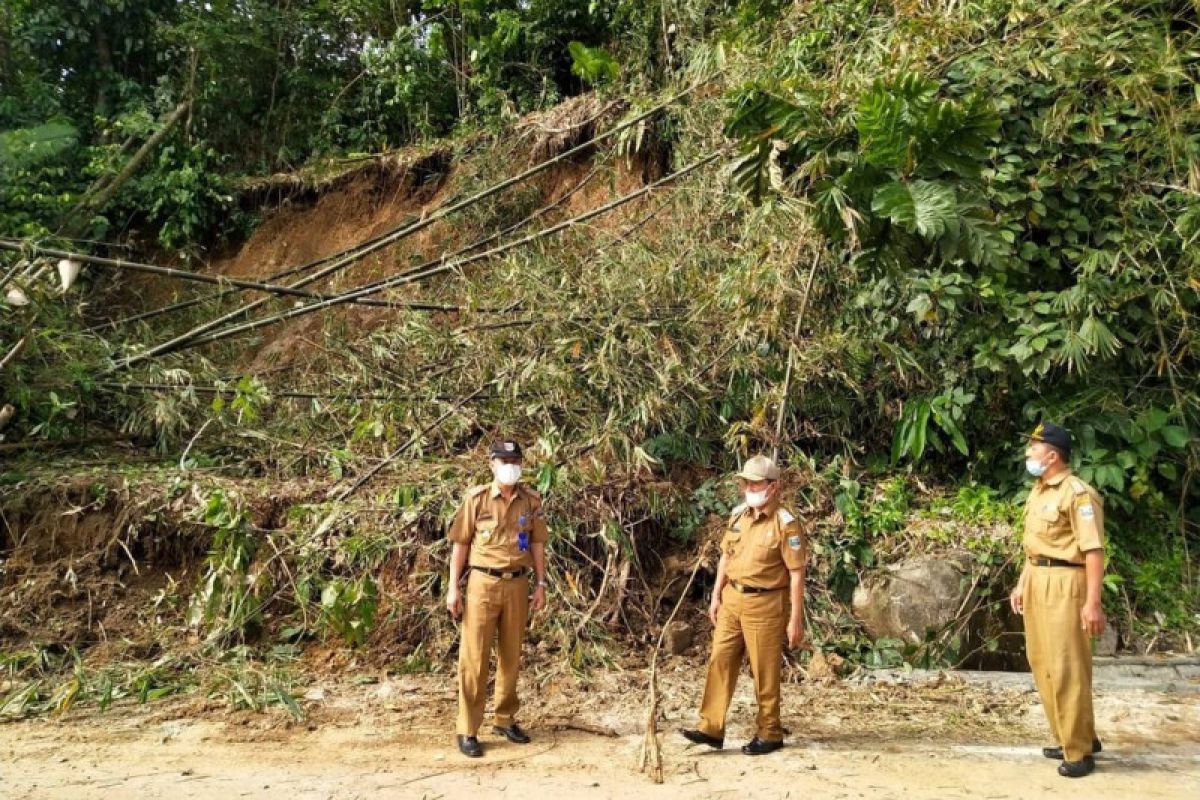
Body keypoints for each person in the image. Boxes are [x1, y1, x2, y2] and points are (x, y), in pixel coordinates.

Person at [681, 454, 807, 755]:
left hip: (765, 604)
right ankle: (710, 727)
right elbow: (726, 556)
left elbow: (796, 572)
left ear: (773, 486)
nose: (748, 487)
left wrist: (795, 619)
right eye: (746, 482)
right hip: (732, 601)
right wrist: (715, 595)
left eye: (755, 482)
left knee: (764, 670)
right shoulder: (739, 516)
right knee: (720, 660)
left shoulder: (785, 525)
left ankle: (770, 732)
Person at [1009, 422, 1106, 778]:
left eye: (1033, 448)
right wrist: (1022, 583)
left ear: (1052, 455)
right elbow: (1033, 547)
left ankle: (1079, 752)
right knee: (1043, 663)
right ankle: (1074, 736)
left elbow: (1093, 551)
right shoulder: (1040, 490)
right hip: (1037, 579)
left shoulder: (1078, 494)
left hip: (1066, 583)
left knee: (1068, 667)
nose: (1028, 454)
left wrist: (1092, 602)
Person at [445, 440, 548, 758]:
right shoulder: (476, 499)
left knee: (511, 655)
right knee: (474, 658)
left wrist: (541, 583)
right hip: (482, 584)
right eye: (504, 460)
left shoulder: (530, 500)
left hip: (518, 585)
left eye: (515, 460)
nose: (510, 465)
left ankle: (505, 718)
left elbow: (538, 543)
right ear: (491, 464)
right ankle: (468, 729)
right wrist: (453, 588)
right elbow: (460, 545)